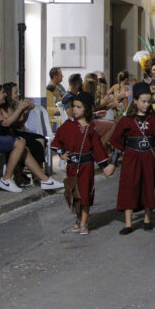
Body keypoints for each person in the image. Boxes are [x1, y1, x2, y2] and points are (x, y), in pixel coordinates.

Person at [110, 83, 155, 234]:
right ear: (135, 101)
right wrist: (112, 162)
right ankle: (128, 223)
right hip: (132, 157)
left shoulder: (154, 119)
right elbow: (117, 141)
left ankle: (147, 219)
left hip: (148, 157)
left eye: (148, 102)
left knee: (148, 186)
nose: (146, 105)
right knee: (129, 187)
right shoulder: (126, 121)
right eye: (143, 101)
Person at [0, 83, 64, 192]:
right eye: (2, 93)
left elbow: (16, 123)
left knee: (25, 148)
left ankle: (45, 180)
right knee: (20, 142)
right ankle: (7, 178)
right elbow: (6, 123)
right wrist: (20, 108)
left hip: (3, 137)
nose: (5, 95)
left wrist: (25, 111)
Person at [52, 92, 115, 235]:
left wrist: (105, 166)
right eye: (74, 106)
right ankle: (78, 219)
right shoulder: (68, 125)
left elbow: (98, 149)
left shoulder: (91, 128)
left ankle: (84, 222)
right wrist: (62, 153)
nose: (74, 109)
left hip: (86, 167)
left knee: (85, 194)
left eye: (78, 107)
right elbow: (57, 141)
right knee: (75, 194)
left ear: (86, 109)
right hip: (72, 167)